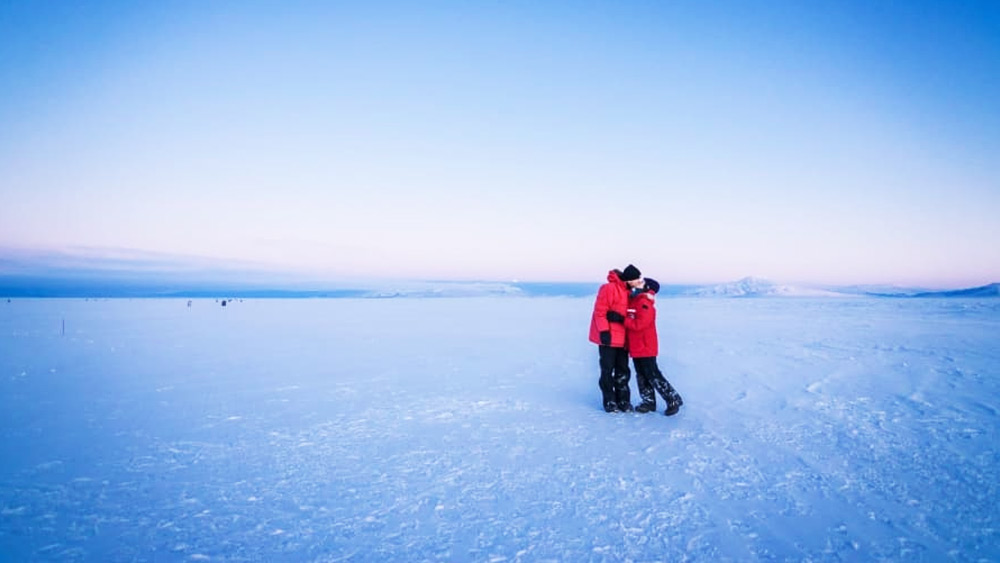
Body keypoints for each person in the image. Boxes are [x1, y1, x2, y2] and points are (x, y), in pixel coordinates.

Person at [625, 278, 684, 416]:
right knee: (642, 375)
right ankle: (648, 402)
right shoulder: (636, 300)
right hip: (637, 346)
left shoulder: (644, 302)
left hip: (645, 346)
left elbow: (640, 324)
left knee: (652, 374)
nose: (637, 285)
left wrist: (623, 320)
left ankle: (672, 399)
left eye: (641, 283)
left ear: (646, 287)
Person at [589, 264, 644, 412]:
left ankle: (623, 401)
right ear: (629, 279)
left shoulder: (629, 292)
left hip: (624, 338)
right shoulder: (608, 288)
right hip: (608, 338)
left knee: (623, 370)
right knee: (607, 370)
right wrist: (604, 331)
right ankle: (610, 401)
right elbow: (599, 311)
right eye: (637, 278)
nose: (639, 281)